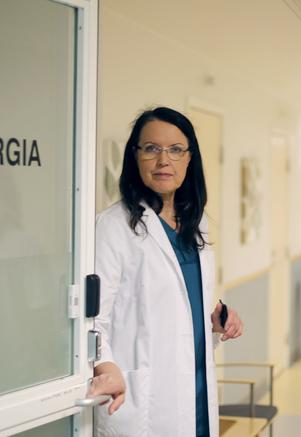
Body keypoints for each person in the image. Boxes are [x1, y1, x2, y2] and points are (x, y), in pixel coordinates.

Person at [88, 107, 244, 437]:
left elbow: (181, 304)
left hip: (196, 394)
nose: (163, 160)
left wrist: (215, 321)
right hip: (145, 402)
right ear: (135, 156)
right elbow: (93, 319)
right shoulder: (113, 227)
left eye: (175, 149)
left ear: (189, 159)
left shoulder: (195, 224)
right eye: (151, 148)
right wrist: (105, 366)